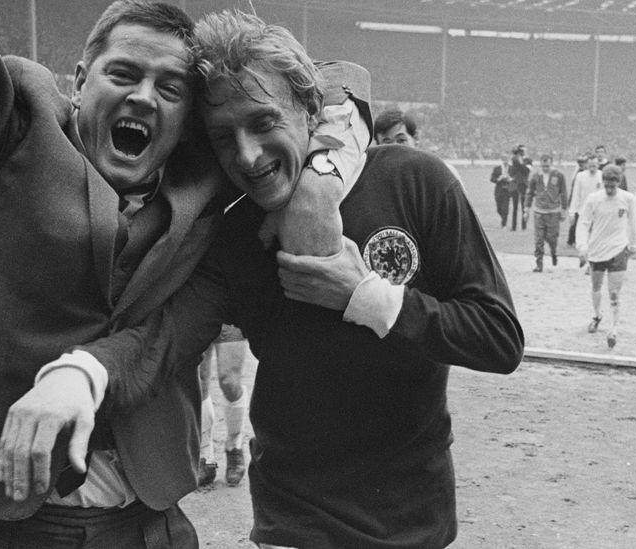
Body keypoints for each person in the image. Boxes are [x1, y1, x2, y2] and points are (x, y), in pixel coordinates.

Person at [0, 0, 361, 544]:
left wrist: (319, 181)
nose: (143, 96)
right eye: (123, 74)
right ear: (78, 80)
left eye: (170, 88)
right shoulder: (9, 133)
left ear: (188, 118)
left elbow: (338, 87)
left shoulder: (213, 179)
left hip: (146, 523)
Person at [177, 11, 524, 547]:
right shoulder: (232, 231)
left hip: (412, 517)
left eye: (264, 123)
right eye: (225, 136)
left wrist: (368, 296)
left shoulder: (415, 180)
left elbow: (499, 339)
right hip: (293, 518)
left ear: (311, 109)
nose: (246, 155)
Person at [576, 165, 636, 348]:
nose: (609, 186)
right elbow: (584, 223)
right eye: (607, 183)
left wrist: (634, 244)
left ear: (618, 182)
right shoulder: (593, 199)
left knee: (614, 291)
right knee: (596, 287)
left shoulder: (628, 199)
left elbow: (633, 223)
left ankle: (613, 328)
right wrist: (582, 245)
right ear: (603, 181)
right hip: (597, 250)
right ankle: (597, 316)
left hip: (619, 249)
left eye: (613, 183)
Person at [196, 325, 249, 488]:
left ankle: (234, 446)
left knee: (229, 381)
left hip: (230, 314)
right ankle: (206, 456)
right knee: (199, 382)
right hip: (200, 310)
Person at [373, 107, 462, 183]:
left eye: (401, 140)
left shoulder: (443, 173)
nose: (395, 148)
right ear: (377, 146)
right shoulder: (372, 182)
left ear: (415, 138)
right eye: (387, 143)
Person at [524, 154, 568, 272]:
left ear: (551, 163)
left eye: (547, 165)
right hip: (539, 212)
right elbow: (529, 193)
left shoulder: (559, 176)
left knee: (552, 237)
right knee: (538, 239)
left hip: (553, 212)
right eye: (543, 165)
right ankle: (539, 264)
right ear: (540, 164)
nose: (545, 167)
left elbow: (563, 193)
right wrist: (526, 209)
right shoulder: (536, 176)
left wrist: (564, 210)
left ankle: (553, 252)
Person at [568, 155, 602, 259]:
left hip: (598, 213)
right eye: (590, 165)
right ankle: (585, 255)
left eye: (595, 165)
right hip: (583, 213)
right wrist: (572, 213)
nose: (593, 167)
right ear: (587, 165)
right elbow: (576, 195)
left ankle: (591, 263)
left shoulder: (602, 175)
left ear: (598, 165)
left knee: (595, 238)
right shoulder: (580, 176)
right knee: (583, 238)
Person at [566, 154, 588, 246]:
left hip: (581, 200)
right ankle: (572, 240)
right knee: (575, 221)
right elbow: (575, 190)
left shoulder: (582, 173)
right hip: (577, 201)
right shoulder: (579, 174)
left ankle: (574, 239)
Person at [508, 144, 532, 230]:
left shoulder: (528, 160)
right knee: (514, 207)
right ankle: (513, 227)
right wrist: (516, 162)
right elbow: (510, 172)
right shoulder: (513, 159)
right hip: (515, 184)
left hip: (523, 184)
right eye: (521, 150)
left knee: (523, 206)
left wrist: (520, 163)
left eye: (523, 150)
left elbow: (527, 171)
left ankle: (524, 226)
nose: (522, 152)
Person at [490, 153, 512, 228]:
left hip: (508, 190)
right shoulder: (497, 168)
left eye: (507, 159)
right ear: (502, 159)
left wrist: (510, 179)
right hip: (499, 191)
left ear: (509, 159)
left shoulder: (512, 168)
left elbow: (516, 178)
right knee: (499, 209)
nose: (506, 160)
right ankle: (503, 218)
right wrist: (499, 179)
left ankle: (504, 224)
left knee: (505, 208)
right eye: (504, 159)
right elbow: (492, 179)